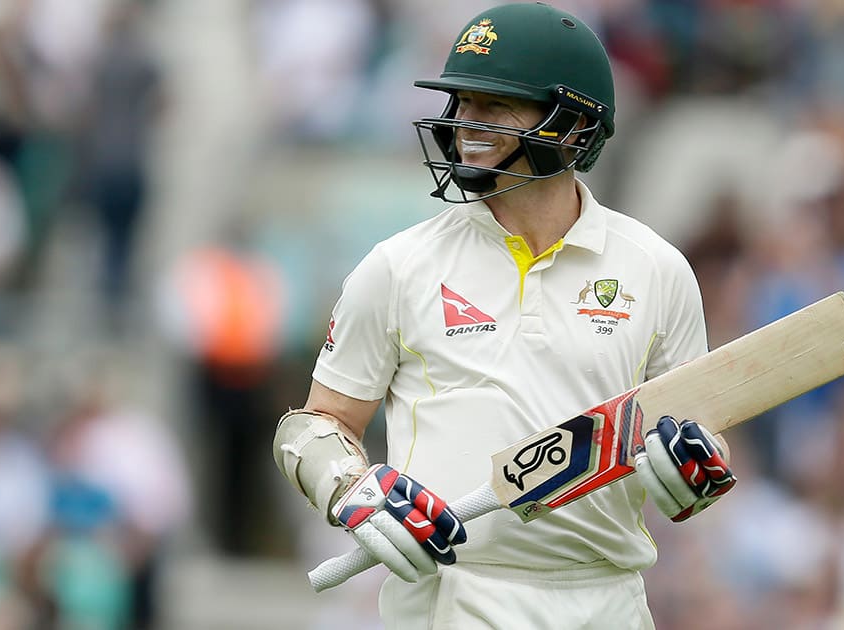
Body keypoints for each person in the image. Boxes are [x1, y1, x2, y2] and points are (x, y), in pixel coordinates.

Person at [273, 4, 736, 628]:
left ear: (573, 124)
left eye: (494, 107)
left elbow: (694, 436)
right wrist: (354, 489)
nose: (466, 125)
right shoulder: (398, 266)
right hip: (456, 596)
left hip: (610, 598)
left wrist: (697, 471)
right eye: (461, 104)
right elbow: (315, 426)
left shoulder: (657, 270)